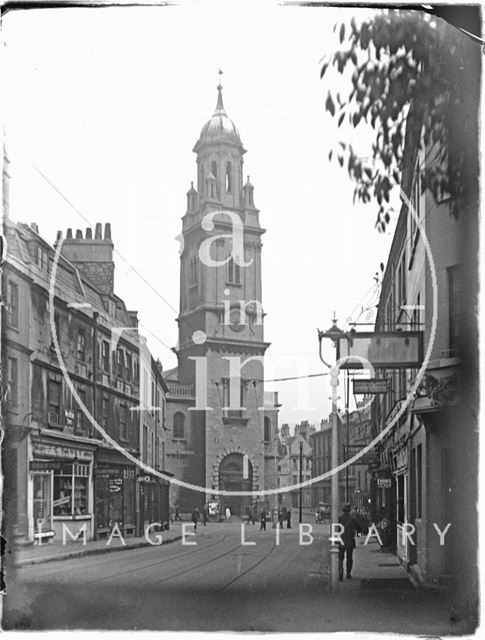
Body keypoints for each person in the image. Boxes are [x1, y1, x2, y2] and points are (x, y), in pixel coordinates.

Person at [338, 503, 360, 581]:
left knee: (340, 558)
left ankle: (340, 573)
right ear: (349, 510)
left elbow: (336, 528)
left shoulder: (339, 518)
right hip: (350, 541)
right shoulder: (352, 519)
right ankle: (348, 573)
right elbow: (358, 527)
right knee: (349, 558)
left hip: (341, 541)